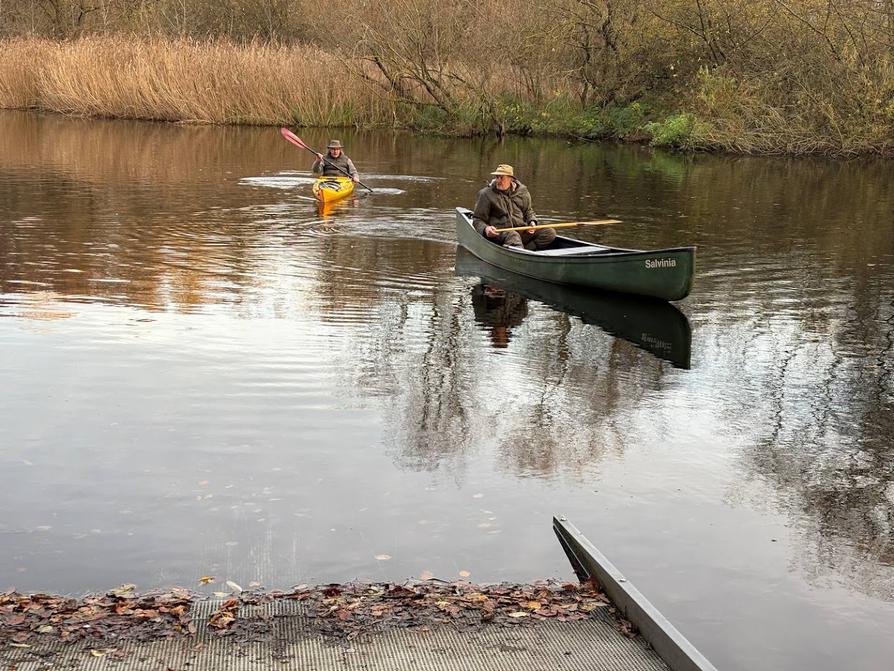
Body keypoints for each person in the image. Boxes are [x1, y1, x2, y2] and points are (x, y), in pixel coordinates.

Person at [472, 164, 555, 250]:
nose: (498, 180)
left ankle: (526, 251)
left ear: (511, 179)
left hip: (521, 230)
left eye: (501, 177)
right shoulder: (485, 194)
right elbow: (477, 219)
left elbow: (528, 211)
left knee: (549, 232)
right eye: (497, 177)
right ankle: (520, 252)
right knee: (513, 235)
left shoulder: (522, 192)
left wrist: (532, 222)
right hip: (500, 233)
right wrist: (486, 229)